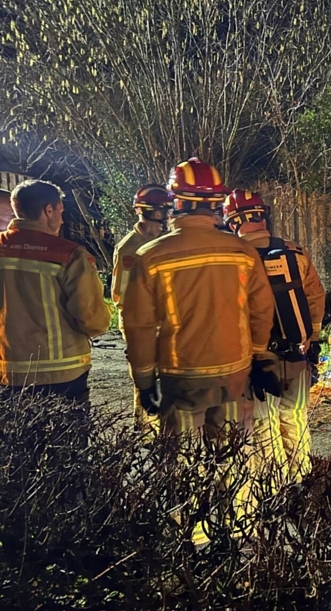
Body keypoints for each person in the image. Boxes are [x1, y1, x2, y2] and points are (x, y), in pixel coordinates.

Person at [122, 159, 278, 546]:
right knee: (230, 460)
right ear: (216, 204)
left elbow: (137, 326)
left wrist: (144, 381)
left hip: (179, 380)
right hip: (233, 376)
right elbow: (262, 309)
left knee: (182, 467)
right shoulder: (243, 252)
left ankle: (190, 546)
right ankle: (229, 536)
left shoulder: (152, 256)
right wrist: (257, 355)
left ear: (176, 202)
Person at [223, 189, 325, 486]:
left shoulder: (234, 257)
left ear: (232, 222)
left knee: (263, 424)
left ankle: (274, 488)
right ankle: (301, 479)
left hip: (259, 359)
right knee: (295, 417)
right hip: (297, 352)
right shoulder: (295, 252)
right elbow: (316, 298)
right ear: (263, 215)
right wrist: (312, 341)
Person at [0, 180, 110, 406]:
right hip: (62, 373)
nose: (61, 219)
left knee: (16, 439)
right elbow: (91, 319)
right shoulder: (70, 255)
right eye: (60, 212)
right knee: (67, 439)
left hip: (7, 371)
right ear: (48, 210)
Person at [111, 184, 173, 439]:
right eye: (161, 211)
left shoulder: (162, 242)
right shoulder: (130, 249)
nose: (164, 217)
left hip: (163, 322)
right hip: (142, 324)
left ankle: (160, 428)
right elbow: (121, 295)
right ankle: (146, 433)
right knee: (146, 379)